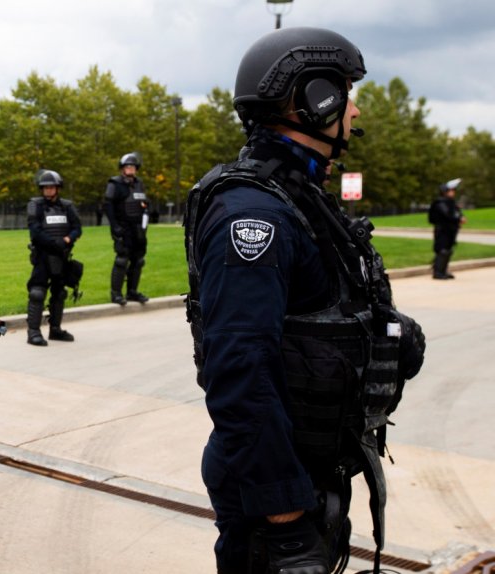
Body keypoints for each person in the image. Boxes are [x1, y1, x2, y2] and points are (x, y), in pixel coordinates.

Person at [183, 28, 426, 573]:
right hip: (275, 495)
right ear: (315, 100)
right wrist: (285, 519)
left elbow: (320, 315)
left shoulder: (298, 197)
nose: (356, 110)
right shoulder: (254, 213)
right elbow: (240, 368)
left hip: (308, 473)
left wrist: (389, 335)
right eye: (346, 92)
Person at [25, 169, 83, 346]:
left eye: (52, 187)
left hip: (62, 256)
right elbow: (35, 232)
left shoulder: (67, 206)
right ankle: (33, 332)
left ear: (58, 188)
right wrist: (54, 243)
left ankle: (55, 329)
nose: (49, 190)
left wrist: (68, 239)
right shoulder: (35, 205)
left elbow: (77, 228)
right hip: (43, 256)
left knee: (59, 293)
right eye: (45, 188)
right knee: (37, 293)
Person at [105, 152, 152, 305]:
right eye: (127, 166)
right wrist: (115, 227)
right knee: (121, 260)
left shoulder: (140, 184)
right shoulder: (114, 184)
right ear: (122, 169)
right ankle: (116, 294)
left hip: (138, 229)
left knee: (138, 260)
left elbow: (144, 203)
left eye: (132, 166)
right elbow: (108, 206)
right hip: (123, 228)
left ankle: (132, 292)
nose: (130, 169)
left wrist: (146, 213)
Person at [428, 179, 466, 279]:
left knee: (448, 250)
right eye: (451, 190)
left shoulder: (451, 202)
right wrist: (458, 218)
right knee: (442, 250)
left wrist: (460, 218)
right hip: (442, 231)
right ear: (445, 192)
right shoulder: (440, 203)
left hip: (450, 231)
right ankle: (438, 272)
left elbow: (456, 212)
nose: (453, 192)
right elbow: (448, 215)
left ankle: (443, 270)